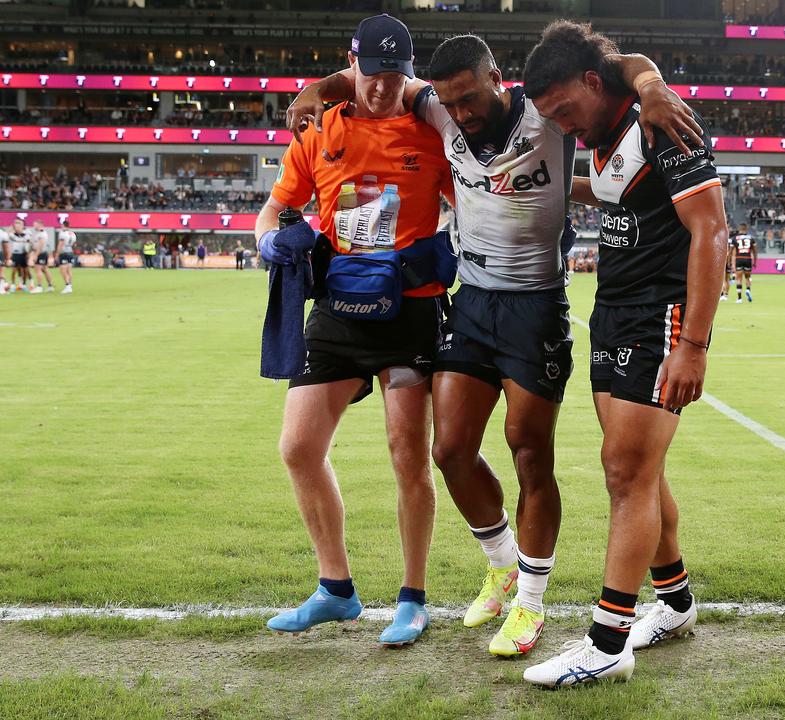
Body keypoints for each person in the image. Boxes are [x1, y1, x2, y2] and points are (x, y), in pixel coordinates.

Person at [286, 28, 698, 658]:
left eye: (470, 99)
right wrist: (318, 88)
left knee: (530, 453)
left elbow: (618, 64)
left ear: (496, 80)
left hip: (537, 307)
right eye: (448, 104)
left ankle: (531, 604)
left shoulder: (546, 111)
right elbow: (373, 80)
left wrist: (652, 86)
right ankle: (502, 564)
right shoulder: (434, 105)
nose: (459, 114)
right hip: (472, 303)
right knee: (449, 449)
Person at [520, 19, 728, 687]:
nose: (563, 125)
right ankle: (675, 604)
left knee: (625, 472)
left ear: (590, 81)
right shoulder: (606, 132)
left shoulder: (661, 123)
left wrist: (692, 345)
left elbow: (711, 233)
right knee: (641, 471)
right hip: (611, 315)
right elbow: (616, 193)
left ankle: (607, 644)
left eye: (564, 110)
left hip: (660, 318)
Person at [259, 14, 452, 648]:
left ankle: (413, 597)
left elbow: (473, 197)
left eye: (394, 75)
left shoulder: (431, 128)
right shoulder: (320, 128)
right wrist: (269, 243)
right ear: (353, 64)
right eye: (371, 74)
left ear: (409, 71)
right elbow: (276, 205)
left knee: (407, 453)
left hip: (411, 310)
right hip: (339, 310)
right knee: (297, 447)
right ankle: (335, 589)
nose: (380, 88)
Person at [30, 220, 56, 294]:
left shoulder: (41, 234)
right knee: (45, 269)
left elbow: (41, 245)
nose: (34, 226)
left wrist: (36, 255)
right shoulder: (41, 233)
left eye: (35, 224)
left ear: (39, 225)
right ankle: (50, 286)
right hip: (43, 253)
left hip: (41, 254)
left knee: (38, 270)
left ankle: (39, 286)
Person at [731, 222, 756, 303]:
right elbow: (754, 251)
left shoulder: (735, 238)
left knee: (739, 278)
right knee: (748, 277)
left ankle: (739, 298)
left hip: (739, 258)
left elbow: (731, 251)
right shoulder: (751, 238)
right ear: (746, 229)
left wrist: (729, 261)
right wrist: (755, 261)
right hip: (748, 258)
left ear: (739, 229)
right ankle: (748, 290)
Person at [7, 218, 32, 291]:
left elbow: (30, 244)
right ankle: (13, 285)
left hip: (23, 254)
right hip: (15, 254)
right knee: (14, 269)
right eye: (16, 223)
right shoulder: (13, 235)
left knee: (24, 270)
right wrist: (11, 227)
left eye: (19, 223)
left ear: (23, 225)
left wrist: (29, 253)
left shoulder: (26, 234)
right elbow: (7, 234)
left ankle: (23, 284)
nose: (17, 225)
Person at [55, 220, 76, 294]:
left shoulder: (62, 233)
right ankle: (70, 286)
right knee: (69, 270)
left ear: (63, 225)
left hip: (64, 253)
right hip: (70, 252)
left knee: (62, 270)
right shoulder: (72, 233)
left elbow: (61, 244)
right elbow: (74, 244)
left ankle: (67, 285)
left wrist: (57, 254)